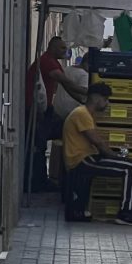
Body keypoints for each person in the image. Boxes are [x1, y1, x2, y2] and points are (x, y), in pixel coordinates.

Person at [62, 83, 132, 226]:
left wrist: (114, 157)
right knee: (129, 167)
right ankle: (126, 212)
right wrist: (115, 157)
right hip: (81, 160)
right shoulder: (82, 114)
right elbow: (98, 142)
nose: (107, 103)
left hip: (88, 158)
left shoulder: (84, 114)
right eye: (105, 99)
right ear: (95, 98)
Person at [25, 37, 87, 191]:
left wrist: (82, 100)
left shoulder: (53, 62)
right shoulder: (48, 61)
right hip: (35, 109)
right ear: (52, 48)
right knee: (40, 144)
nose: (65, 51)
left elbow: (67, 87)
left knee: (43, 142)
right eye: (61, 48)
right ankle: (38, 182)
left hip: (44, 109)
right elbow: (66, 82)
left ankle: (47, 179)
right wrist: (88, 92)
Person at [53, 53, 90, 121]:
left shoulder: (67, 69)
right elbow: (84, 92)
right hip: (70, 111)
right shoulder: (84, 75)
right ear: (86, 63)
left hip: (57, 108)